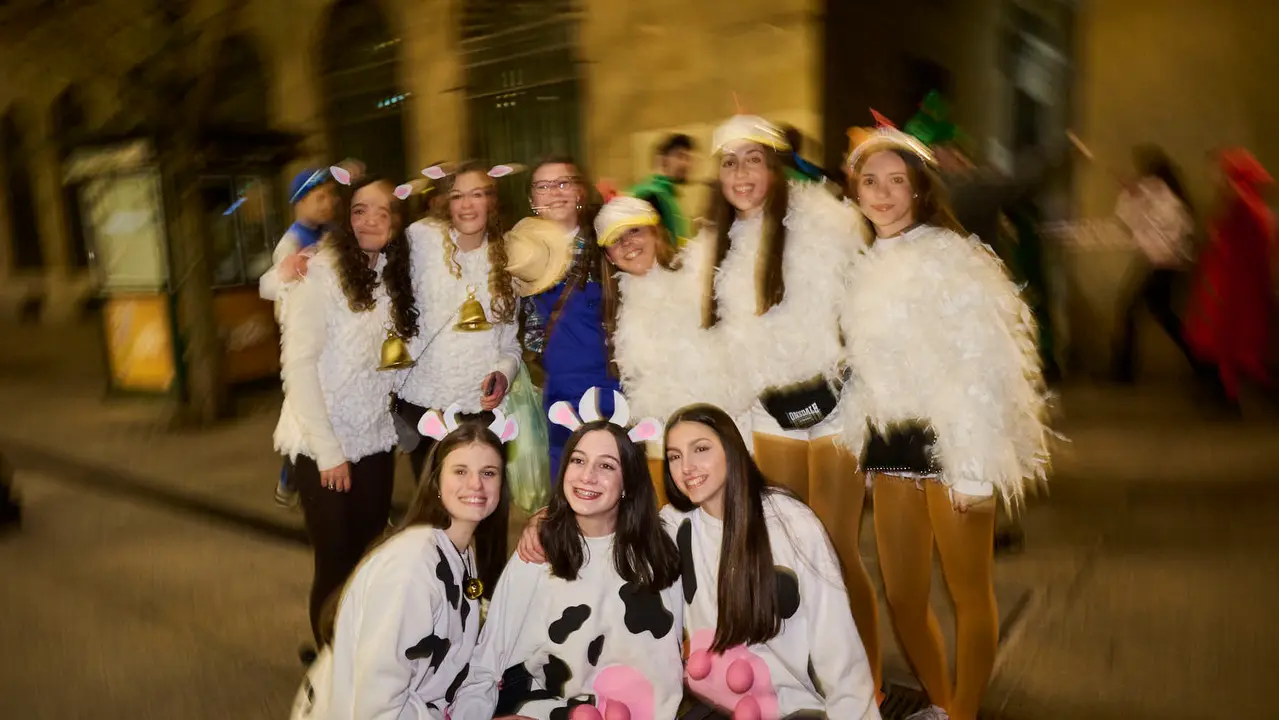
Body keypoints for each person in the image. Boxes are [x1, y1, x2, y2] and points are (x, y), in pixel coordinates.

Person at [840, 122, 1050, 720]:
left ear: (920, 189)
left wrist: (973, 467)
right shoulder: (862, 262)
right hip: (890, 439)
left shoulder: (953, 257)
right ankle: (941, 703)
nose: (881, 194)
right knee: (903, 597)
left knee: (968, 593)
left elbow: (985, 367)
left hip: (953, 442)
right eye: (870, 182)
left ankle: (965, 711)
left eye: (896, 182)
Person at [695, 114, 883, 696]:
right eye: (730, 162)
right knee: (790, 550)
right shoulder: (715, 244)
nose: (742, 173)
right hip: (767, 413)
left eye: (754, 159)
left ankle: (868, 684)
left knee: (837, 547)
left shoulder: (824, 222)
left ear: (774, 168)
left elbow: (866, 298)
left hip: (835, 407)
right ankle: (809, 673)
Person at [452, 394, 683, 719]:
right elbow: (489, 659)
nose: (587, 475)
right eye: (578, 460)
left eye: (606, 465)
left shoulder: (659, 547)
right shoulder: (538, 552)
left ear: (628, 481)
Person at [273, 170, 419, 644]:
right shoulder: (320, 272)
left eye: (383, 210)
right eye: (360, 210)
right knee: (334, 562)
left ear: (397, 220)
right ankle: (330, 664)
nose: (371, 219)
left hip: (373, 436)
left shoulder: (396, 276)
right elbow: (298, 367)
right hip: (322, 442)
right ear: (346, 219)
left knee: (367, 556)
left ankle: (360, 656)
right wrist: (329, 450)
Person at [290, 414, 515, 719]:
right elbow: (377, 703)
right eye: (460, 471)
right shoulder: (413, 566)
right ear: (436, 481)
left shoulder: (460, 552)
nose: (475, 484)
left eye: (489, 472)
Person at [393, 161, 522, 481]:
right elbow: (374, 259)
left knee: (483, 510)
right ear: (445, 203)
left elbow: (510, 344)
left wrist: (504, 375)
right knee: (433, 515)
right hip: (423, 408)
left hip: (479, 410)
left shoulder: (508, 259)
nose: (467, 205)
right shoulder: (420, 239)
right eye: (457, 196)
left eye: (477, 194)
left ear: (491, 200)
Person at [510, 156, 618, 479]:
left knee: (613, 475)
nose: (554, 193)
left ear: (579, 191)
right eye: (543, 186)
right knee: (567, 479)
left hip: (609, 386)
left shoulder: (606, 243)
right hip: (556, 389)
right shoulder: (518, 254)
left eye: (563, 183)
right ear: (531, 199)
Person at [259, 168, 339, 509]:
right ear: (300, 201)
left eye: (331, 197)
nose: (328, 204)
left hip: (331, 342)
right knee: (303, 415)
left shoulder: (329, 233)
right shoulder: (291, 245)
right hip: (306, 345)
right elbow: (283, 299)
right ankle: (290, 480)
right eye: (320, 198)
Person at [1183, 148, 1276, 409]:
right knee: (1232, 344)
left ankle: (1231, 396)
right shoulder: (1248, 203)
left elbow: (1231, 246)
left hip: (1231, 287)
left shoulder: (1240, 202)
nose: (1213, 176)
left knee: (1227, 342)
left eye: (1219, 170)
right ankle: (1231, 392)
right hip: (1234, 285)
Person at [1111, 145, 1209, 385]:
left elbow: (1152, 225)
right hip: (1163, 264)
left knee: (1132, 310)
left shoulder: (1163, 195)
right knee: (1162, 316)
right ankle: (1202, 365)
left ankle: (1124, 372)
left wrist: (1133, 196)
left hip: (1162, 264)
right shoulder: (1164, 193)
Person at [631, 133, 694, 246]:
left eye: (688, 158)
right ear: (662, 160)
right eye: (680, 156)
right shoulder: (651, 196)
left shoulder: (668, 196)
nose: (686, 164)